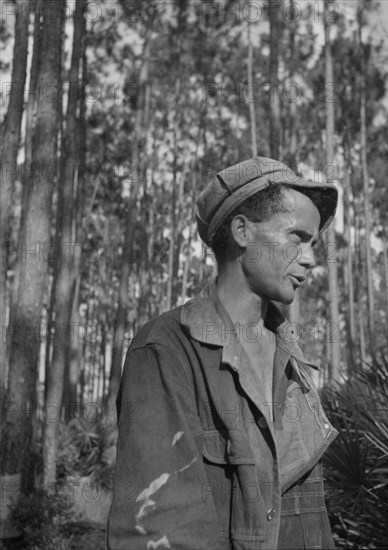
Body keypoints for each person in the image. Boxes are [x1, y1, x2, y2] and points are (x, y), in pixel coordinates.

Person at [106, 157, 339, 550]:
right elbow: (157, 529)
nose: (311, 258)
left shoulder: (293, 361)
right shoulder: (167, 349)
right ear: (243, 231)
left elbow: (310, 523)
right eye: (297, 237)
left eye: (313, 244)